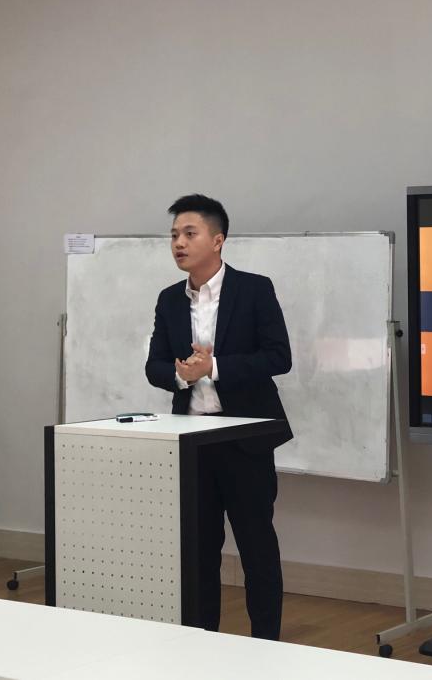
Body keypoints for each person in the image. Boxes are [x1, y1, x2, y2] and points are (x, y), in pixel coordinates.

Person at [145, 194, 292, 640]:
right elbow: (154, 366)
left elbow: (279, 357)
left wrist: (215, 367)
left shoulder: (254, 289)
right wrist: (182, 374)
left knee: (256, 548)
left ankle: (266, 644)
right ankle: (200, 641)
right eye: (174, 235)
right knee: (199, 551)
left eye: (189, 233)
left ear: (217, 239)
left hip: (244, 440)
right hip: (193, 442)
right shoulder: (170, 300)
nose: (179, 243)